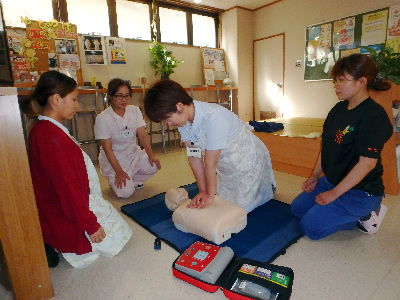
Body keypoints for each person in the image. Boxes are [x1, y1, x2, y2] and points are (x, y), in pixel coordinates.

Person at [27, 71, 132, 268]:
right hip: (64, 209)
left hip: (71, 201)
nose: (77, 105)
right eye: (74, 99)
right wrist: (89, 224)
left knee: (120, 227)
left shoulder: (45, 129)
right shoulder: (51, 138)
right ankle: (54, 242)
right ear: (56, 100)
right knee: (118, 237)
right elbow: (67, 188)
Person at [291, 54, 393, 240]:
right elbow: (327, 146)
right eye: (335, 80)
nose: (336, 85)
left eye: (341, 80)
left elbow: (367, 164)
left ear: (361, 81)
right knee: (297, 209)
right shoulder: (338, 109)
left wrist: (334, 194)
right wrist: (315, 176)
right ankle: (337, 209)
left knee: (311, 227)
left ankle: (367, 214)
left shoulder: (374, 117)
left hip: (361, 192)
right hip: (331, 181)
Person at [144, 79, 276, 213]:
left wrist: (209, 197)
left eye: (167, 118)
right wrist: (203, 191)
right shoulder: (183, 122)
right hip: (226, 165)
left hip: (248, 161)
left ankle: (267, 188)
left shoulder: (214, 117)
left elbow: (210, 163)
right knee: (219, 202)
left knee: (235, 210)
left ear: (179, 106)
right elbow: (194, 158)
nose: (168, 123)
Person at [95, 78, 160, 198]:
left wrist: (151, 155)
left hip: (132, 154)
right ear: (111, 96)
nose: (124, 100)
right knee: (125, 193)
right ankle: (116, 180)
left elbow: (142, 135)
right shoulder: (103, 118)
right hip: (115, 160)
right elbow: (108, 149)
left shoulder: (134, 110)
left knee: (153, 165)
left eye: (127, 96)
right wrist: (119, 172)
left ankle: (133, 180)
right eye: (119, 96)